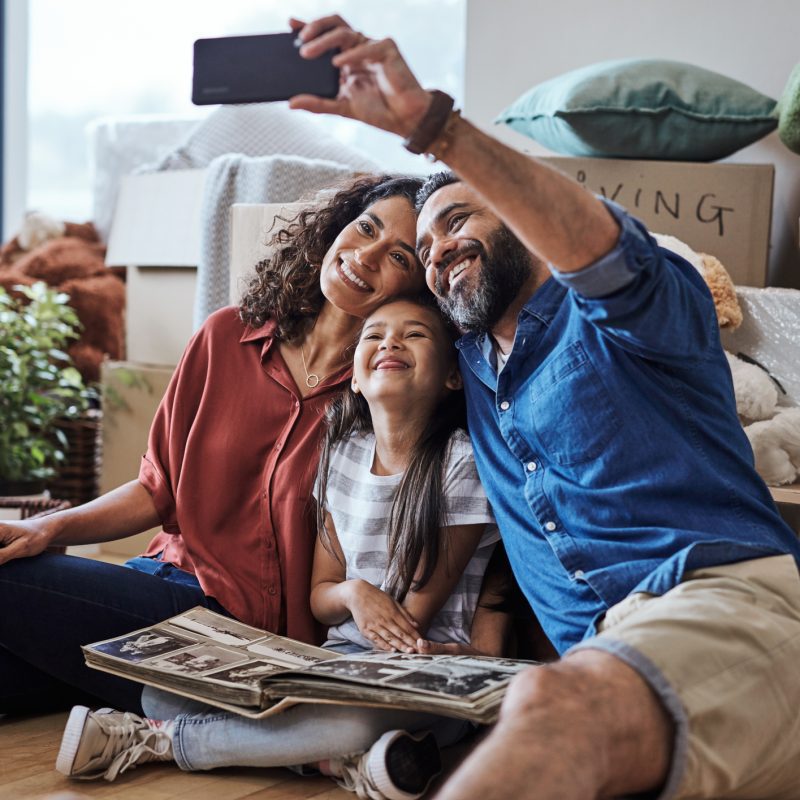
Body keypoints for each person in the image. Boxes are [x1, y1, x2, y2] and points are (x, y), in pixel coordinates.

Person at [285, 15, 800, 800]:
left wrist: (435, 130)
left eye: (460, 220)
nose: (439, 250)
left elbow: (597, 250)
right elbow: (370, 331)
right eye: (424, 250)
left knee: (555, 703)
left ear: (519, 217)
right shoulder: (463, 369)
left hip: (723, 608)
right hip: (607, 664)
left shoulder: (631, 311)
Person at [0, 174, 427, 716]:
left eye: (400, 257)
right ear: (337, 228)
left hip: (238, 635)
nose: (365, 255)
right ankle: (148, 696)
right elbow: (158, 490)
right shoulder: (225, 337)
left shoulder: (387, 398)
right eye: (365, 228)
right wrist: (47, 528)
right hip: (155, 587)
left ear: (418, 292)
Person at [55, 294, 501, 800]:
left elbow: (406, 626)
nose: (390, 342)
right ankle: (339, 763)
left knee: (351, 723)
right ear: (353, 376)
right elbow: (321, 595)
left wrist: (322, 680)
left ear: (453, 376)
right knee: (161, 690)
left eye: (415, 334)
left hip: (420, 670)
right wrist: (353, 593)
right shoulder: (341, 455)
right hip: (335, 665)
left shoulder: (460, 465)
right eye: (373, 335)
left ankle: (157, 742)